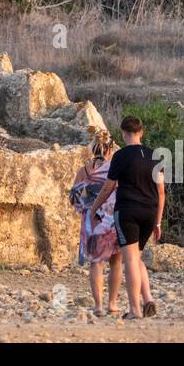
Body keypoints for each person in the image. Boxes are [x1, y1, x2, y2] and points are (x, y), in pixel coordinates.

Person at [87, 115, 165, 320]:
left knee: (129, 259)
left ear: (123, 133)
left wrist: (95, 207)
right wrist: (158, 221)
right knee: (136, 256)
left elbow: (109, 186)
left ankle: (135, 310)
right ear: (142, 132)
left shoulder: (121, 156)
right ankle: (147, 298)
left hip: (128, 211)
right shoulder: (155, 155)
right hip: (150, 211)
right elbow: (162, 191)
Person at [69, 127, 121, 316]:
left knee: (96, 263)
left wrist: (84, 209)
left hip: (91, 220)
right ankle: (112, 304)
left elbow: (73, 197)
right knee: (116, 261)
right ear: (110, 149)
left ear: (93, 149)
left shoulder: (84, 171)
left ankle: (98, 305)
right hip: (111, 219)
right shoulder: (114, 169)